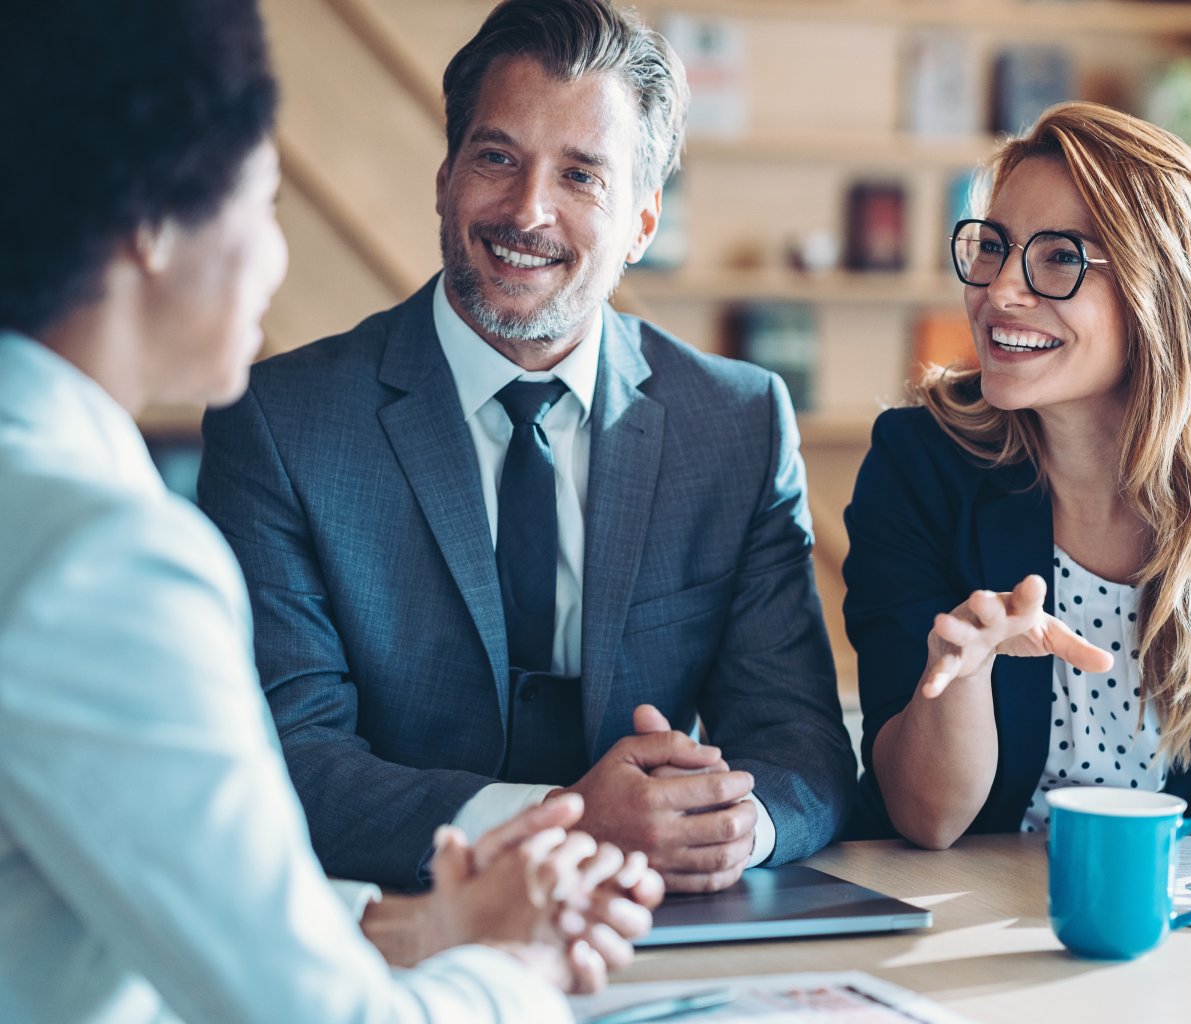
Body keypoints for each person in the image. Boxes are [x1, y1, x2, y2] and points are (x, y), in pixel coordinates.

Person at [0, 2, 660, 1021]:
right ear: (152, 223)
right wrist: (514, 966)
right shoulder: (102, 559)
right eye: (263, 204)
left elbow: (123, 886)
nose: (274, 258)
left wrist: (415, 927)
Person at [197, 0, 855, 894]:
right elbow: (289, 760)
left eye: (582, 176)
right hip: (392, 925)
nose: (527, 210)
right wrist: (570, 822)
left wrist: (739, 828)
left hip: (662, 926)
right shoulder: (278, 424)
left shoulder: (736, 423)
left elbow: (801, 744)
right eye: (496, 157)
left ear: (642, 224)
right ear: (445, 176)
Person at [843, 102, 1191, 849]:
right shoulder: (919, 462)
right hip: (978, 889)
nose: (998, 291)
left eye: (1057, 257)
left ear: (1163, 294)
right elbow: (927, 819)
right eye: (993, 247)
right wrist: (962, 678)